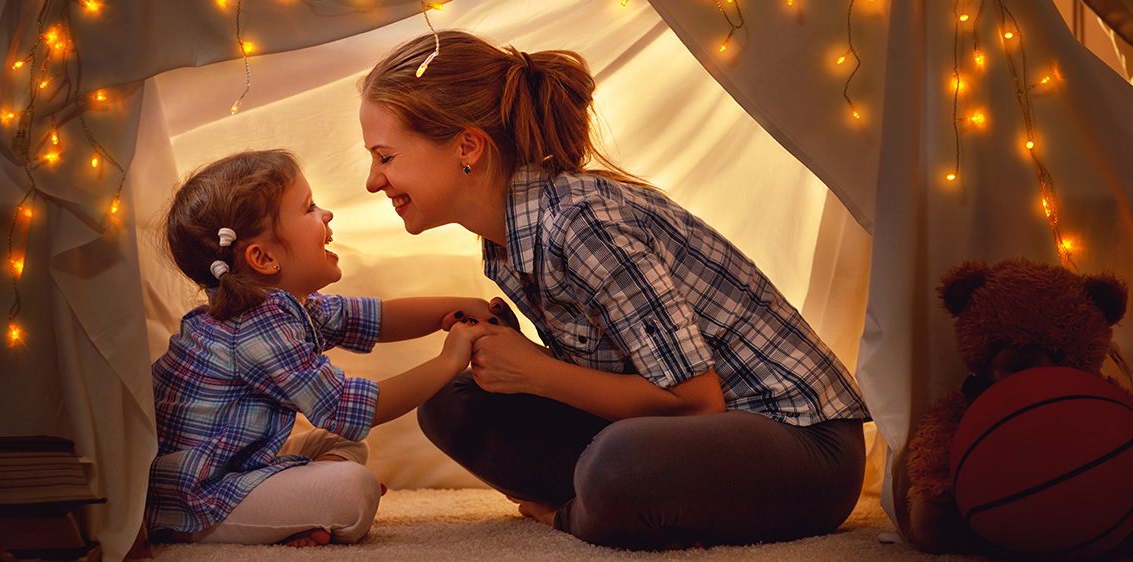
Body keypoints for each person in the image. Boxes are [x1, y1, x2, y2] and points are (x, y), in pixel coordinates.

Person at [358, 31, 871, 550]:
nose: (373, 182)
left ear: (467, 147)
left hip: (802, 447)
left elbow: (695, 403)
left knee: (620, 463)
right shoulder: (507, 240)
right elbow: (620, 374)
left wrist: (536, 372)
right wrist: (518, 360)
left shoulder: (583, 224)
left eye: (385, 157)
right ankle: (612, 501)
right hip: (684, 437)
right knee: (450, 401)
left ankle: (578, 514)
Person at [145, 149, 498, 547]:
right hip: (199, 495)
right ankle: (275, 512)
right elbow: (346, 408)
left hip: (236, 461)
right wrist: (451, 360)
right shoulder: (253, 328)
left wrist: (454, 308)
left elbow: (375, 318)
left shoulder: (283, 307)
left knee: (339, 445)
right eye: (310, 207)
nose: (326, 214)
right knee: (354, 489)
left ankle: (299, 508)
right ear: (263, 258)